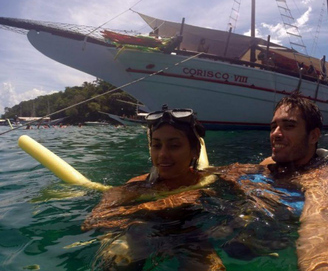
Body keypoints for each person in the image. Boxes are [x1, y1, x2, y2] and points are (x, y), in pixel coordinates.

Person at [82, 105, 225, 270]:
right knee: (119, 261)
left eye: (174, 146)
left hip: (191, 235)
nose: (162, 154)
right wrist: (164, 203)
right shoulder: (138, 185)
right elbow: (93, 220)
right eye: (156, 146)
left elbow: (247, 173)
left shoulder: (208, 178)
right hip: (142, 234)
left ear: (194, 151)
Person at [258, 93, 328, 270]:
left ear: (313, 136)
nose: (275, 134)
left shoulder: (320, 177)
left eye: (289, 126)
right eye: (273, 127)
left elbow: (320, 224)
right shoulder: (268, 163)